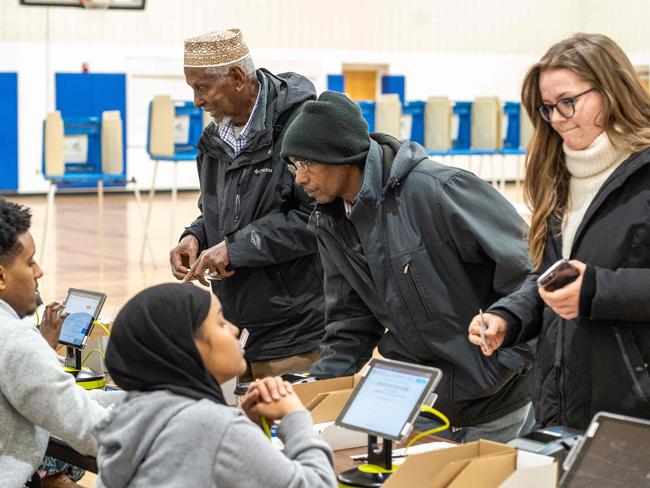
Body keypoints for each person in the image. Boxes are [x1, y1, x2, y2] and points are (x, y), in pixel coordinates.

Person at [280, 91, 534, 443]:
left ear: (340, 156)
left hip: (494, 401)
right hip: (414, 399)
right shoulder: (330, 223)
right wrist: (308, 389)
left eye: (306, 164)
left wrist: (508, 362)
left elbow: (530, 272)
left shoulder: (439, 191)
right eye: (293, 167)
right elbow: (349, 323)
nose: (299, 179)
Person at [468, 33, 650, 430]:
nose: (557, 118)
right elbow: (554, 276)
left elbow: (588, 285)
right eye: (548, 108)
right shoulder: (560, 175)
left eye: (568, 102)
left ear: (612, 89)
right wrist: (510, 317)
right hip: (562, 399)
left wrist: (596, 290)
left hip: (632, 408)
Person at [170, 29, 325, 381]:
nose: (196, 101)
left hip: (293, 333)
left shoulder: (300, 128)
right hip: (232, 331)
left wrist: (235, 249)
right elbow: (216, 209)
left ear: (238, 78)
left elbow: (316, 220)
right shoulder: (212, 140)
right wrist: (195, 236)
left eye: (202, 88)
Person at [94, 283, 337, 487]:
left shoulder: (129, 412)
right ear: (189, 347)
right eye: (221, 323)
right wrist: (296, 417)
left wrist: (248, 429)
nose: (234, 329)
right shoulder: (212, 425)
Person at [0, 197, 122, 487]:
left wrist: (141, 401)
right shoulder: (14, 339)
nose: (39, 271)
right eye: (30, 263)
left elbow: (72, 400)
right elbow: (90, 429)